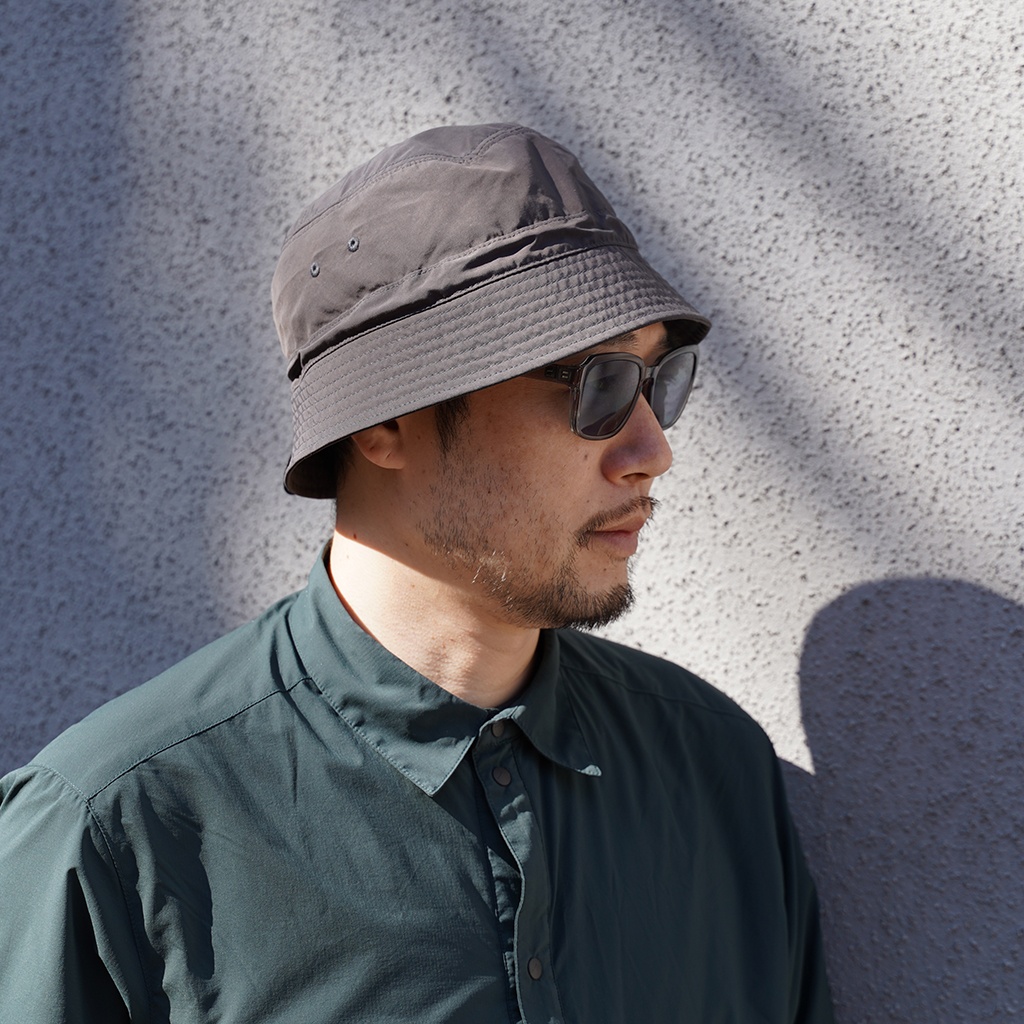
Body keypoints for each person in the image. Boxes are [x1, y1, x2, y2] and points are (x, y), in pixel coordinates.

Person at [0, 124, 833, 1023]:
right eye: (599, 383)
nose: (652, 450)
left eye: (658, 380)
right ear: (383, 422)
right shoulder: (118, 829)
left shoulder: (712, 773)